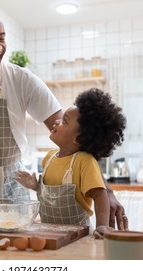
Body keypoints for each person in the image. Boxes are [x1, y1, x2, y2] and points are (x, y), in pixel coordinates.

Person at [0, 4, 129, 230]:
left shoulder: (22, 81)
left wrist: (105, 191)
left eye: (1, 37)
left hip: (13, 209)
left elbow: (78, 137)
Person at [15, 88, 126, 237]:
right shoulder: (49, 158)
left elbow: (100, 196)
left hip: (77, 238)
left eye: (64, 121)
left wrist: (102, 227)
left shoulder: (84, 161)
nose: (56, 121)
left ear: (77, 139)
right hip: (50, 234)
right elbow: (49, 194)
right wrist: (35, 185)